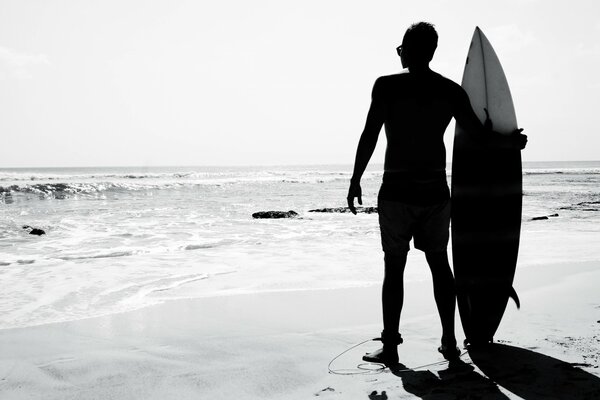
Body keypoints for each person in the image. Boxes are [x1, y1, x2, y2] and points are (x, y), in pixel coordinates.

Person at [347, 22, 527, 366]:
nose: (400, 54)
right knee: (439, 265)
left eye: (402, 48)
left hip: (397, 192)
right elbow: (478, 137)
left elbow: (370, 133)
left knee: (394, 268)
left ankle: (391, 345)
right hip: (433, 193)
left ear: (413, 51)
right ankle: (448, 341)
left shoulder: (386, 87)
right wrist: (510, 143)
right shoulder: (449, 91)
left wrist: (356, 178)